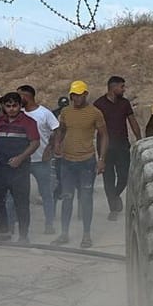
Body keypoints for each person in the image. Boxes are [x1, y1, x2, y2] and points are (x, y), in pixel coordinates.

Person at [50, 81, 105, 248]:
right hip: (67, 161)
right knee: (67, 197)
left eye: (80, 94)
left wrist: (102, 158)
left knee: (86, 198)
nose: (77, 98)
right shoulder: (66, 112)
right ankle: (64, 233)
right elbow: (61, 129)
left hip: (87, 161)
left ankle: (86, 235)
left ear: (86, 94)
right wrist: (58, 144)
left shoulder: (95, 113)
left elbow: (104, 135)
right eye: (74, 95)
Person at [0, 93, 39, 242]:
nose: (11, 109)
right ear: (4, 106)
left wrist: (20, 158)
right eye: (8, 106)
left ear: (20, 105)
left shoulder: (28, 122)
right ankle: (4, 231)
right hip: (1, 167)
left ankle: (24, 236)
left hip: (20, 169)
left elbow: (35, 142)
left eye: (14, 105)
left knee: (21, 203)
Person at [93, 76, 141, 220]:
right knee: (108, 178)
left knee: (124, 176)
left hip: (122, 144)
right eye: (122, 87)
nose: (124, 89)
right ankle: (113, 209)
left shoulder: (125, 103)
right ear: (113, 88)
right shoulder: (99, 104)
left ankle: (115, 196)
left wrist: (139, 139)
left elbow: (132, 121)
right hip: (104, 145)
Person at [19, 85, 60, 236]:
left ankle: (49, 224)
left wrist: (51, 148)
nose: (18, 99)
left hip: (41, 160)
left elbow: (56, 130)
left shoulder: (44, 113)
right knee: (19, 194)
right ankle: (18, 226)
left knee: (46, 193)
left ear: (27, 96)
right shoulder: (20, 114)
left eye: (20, 96)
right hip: (23, 160)